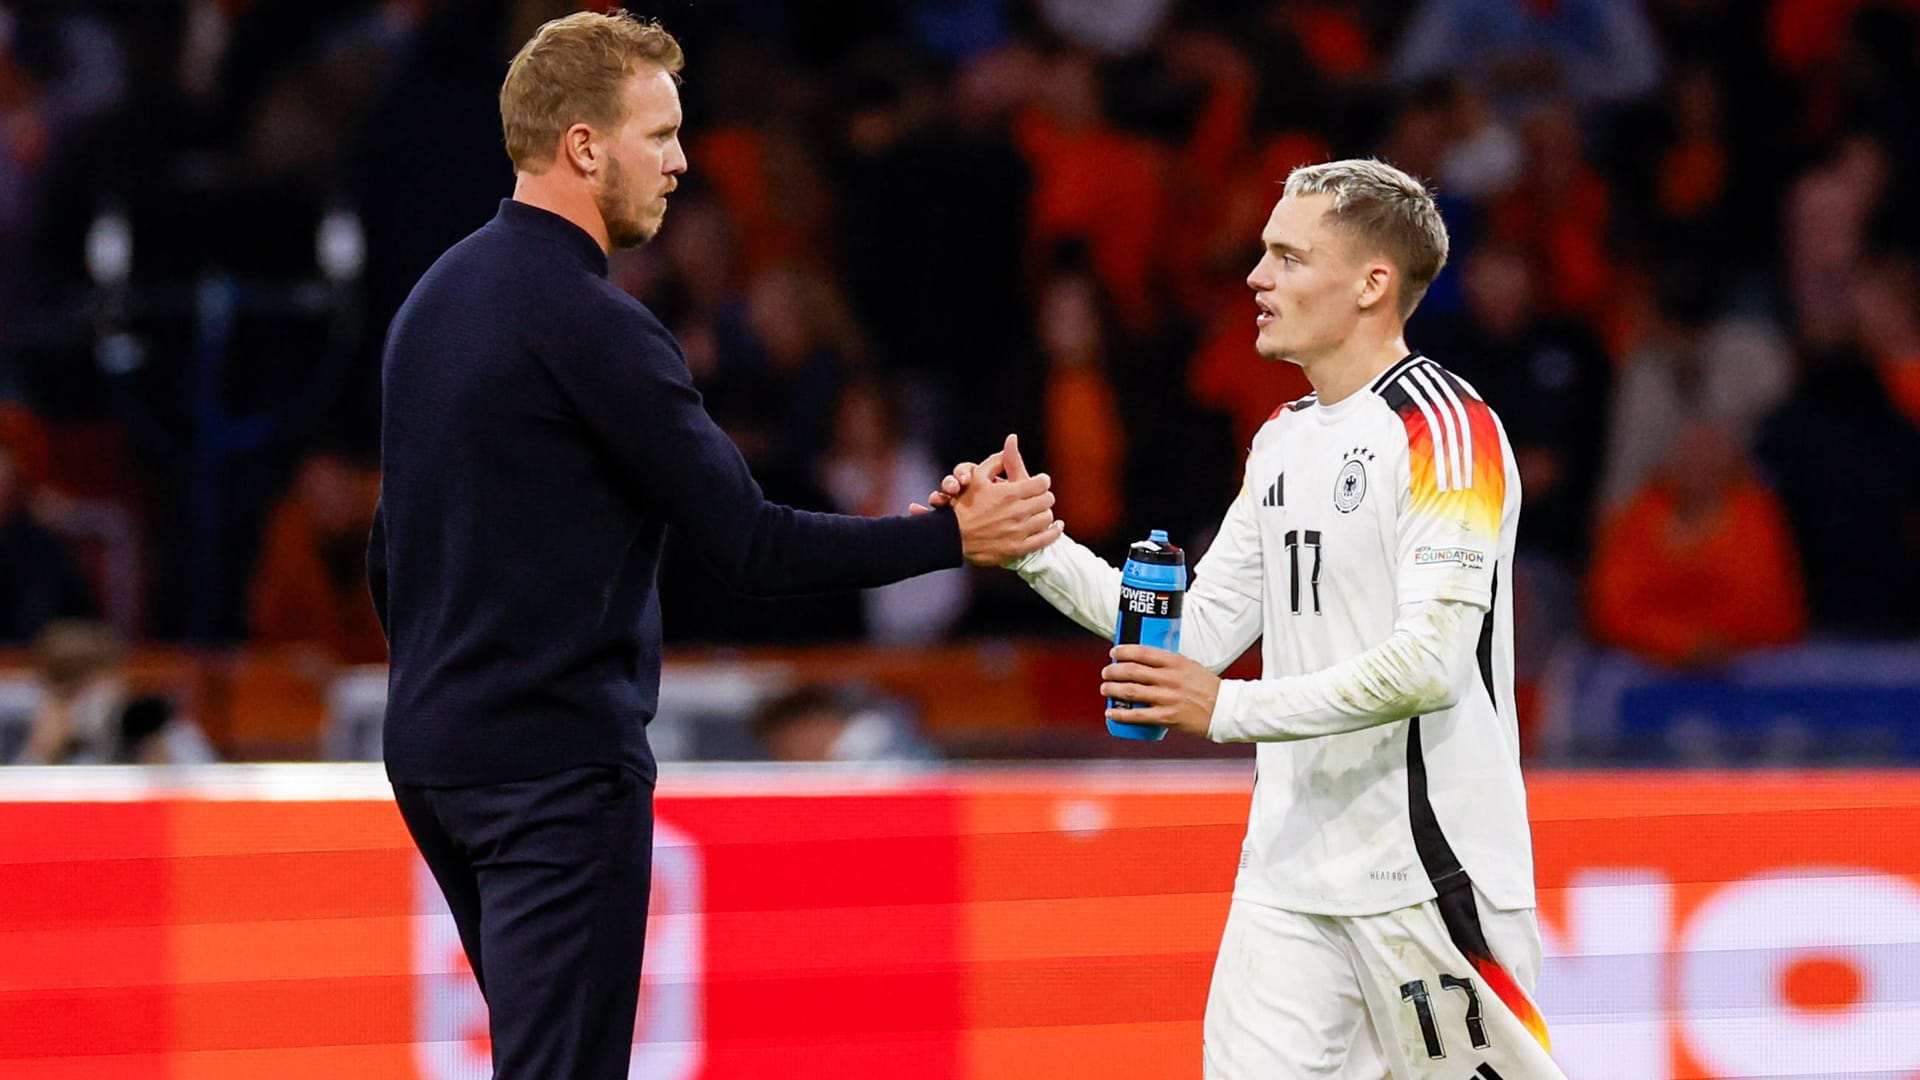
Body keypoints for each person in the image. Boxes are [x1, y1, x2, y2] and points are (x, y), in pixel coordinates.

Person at [367, 12, 1060, 1079]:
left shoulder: (433, 301)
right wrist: (950, 535)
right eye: (660, 135)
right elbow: (752, 545)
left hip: (435, 756)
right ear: (586, 145)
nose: (684, 162)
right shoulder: (593, 322)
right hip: (552, 769)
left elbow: (390, 551)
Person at [930, 160, 1562, 1078]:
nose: (1257, 278)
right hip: (1289, 877)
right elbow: (1185, 640)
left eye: (1287, 256)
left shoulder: (1446, 433)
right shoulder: (1285, 437)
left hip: (1426, 879)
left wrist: (1222, 711)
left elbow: (1428, 665)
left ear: (1371, 284)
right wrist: (1031, 544)